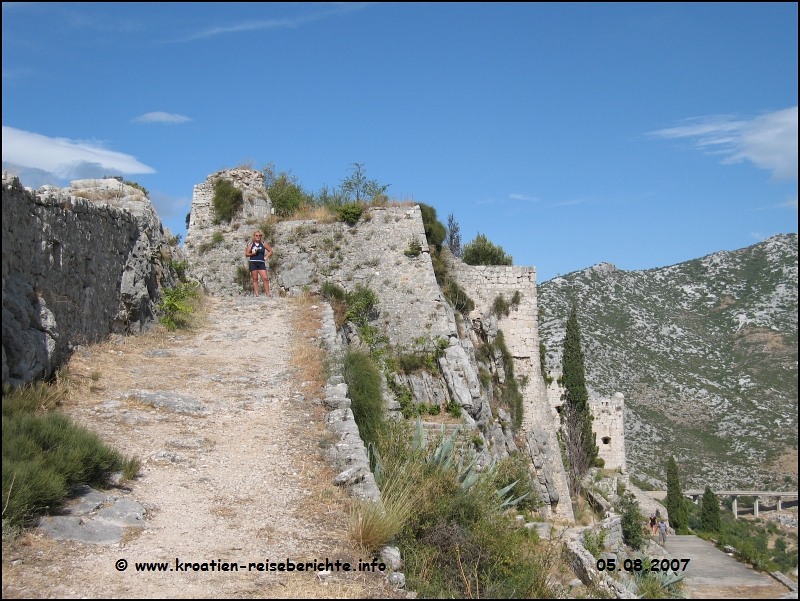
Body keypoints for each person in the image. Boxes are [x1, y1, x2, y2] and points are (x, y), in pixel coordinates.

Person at [245, 230, 273, 297]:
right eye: (256, 236)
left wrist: (266, 257)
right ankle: (257, 295)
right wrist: (253, 254)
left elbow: (271, 251)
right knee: (255, 279)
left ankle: (268, 294)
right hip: (253, 262)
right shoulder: (251, 245)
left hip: (261, 263)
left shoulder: (263, 244)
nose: (258, 237)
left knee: (265, 278)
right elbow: (247, 254)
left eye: (259, 236)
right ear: (254, 236)